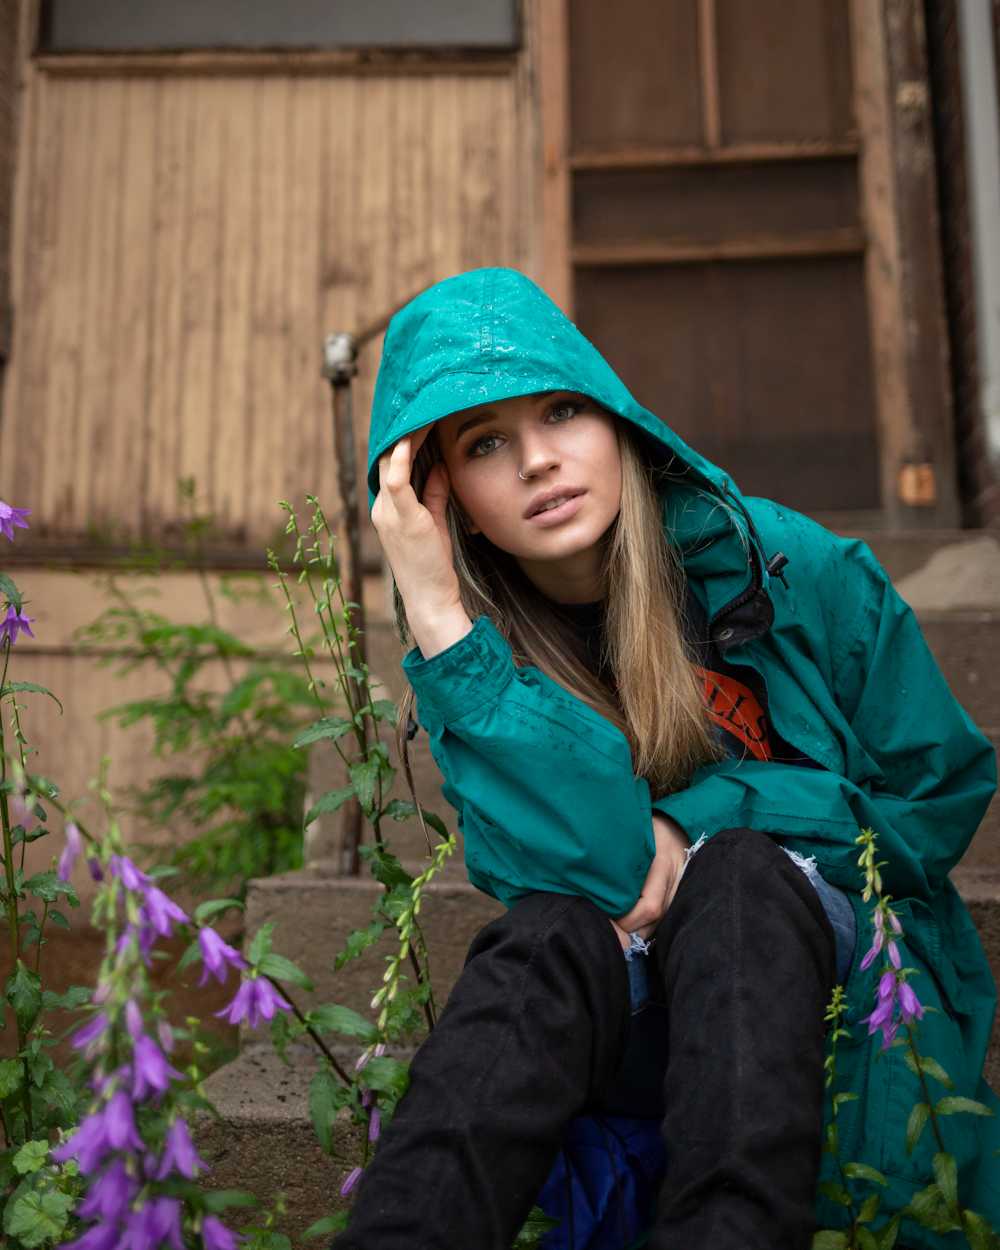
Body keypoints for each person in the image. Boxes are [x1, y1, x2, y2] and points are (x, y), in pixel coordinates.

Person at [336, 268, 1000, 1250]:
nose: (536, 461)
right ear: (451, 499)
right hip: (643, 1021)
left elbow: (941, 787)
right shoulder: (478, 665)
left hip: (826, 992)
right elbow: (599, 879)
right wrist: (435, 613)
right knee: (545, 935)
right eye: (486, 444)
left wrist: (700, 822)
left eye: (560, 410)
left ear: (616, 418)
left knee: (735, 876)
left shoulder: (784, 566)